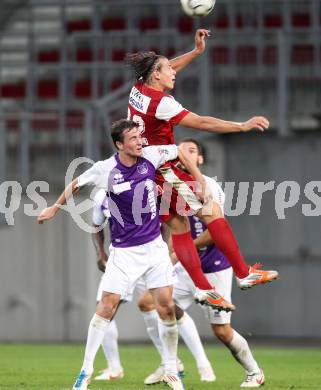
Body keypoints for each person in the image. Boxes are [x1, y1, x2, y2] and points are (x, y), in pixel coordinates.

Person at [37, 119, 208, 390]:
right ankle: (86, 370)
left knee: (165, 307)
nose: (140, 141)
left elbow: (181, 151)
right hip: (124, 253)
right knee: (106, 306)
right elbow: (76, 184)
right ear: (119, 144)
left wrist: (199, 181)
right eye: (134, 139)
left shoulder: (151, 155)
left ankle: (171, 368)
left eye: (140, 137)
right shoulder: (105, 169)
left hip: (154, 249)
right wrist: (54, 208)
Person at [126, 29, 278, 305]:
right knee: (211, 211)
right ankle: (243, 273)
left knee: (179, 226)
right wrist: (241, 126)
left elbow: (169, 67)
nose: (173, 71)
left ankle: (202, 288)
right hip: (165, 169)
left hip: (144, 172)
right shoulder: (162, 104)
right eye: (167, 69)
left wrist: (195, 53)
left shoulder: (138, 89)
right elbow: (203, 123)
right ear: (156, 76)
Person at [91, 187, 215, 385]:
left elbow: (167, 222)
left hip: (151, 257)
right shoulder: (104, 191)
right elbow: (96, 225)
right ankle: (116, 367)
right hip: (122, 257)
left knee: (168, 307)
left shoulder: (148, 184)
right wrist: (100, 254)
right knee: (104, 308)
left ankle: (200, 364)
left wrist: (164, 251)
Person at [171, 138, 265, 388]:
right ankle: (171, 364)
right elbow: (173, 229)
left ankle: (254, 371)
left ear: (200, 159)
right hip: (185, 267)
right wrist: (169, 253)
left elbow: (215, 231)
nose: (185, 154)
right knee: (160, 303)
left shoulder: (209, 185)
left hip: (213, 266)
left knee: (221, 331)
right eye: (182, 151)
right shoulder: (172, 183)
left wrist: (182, 249)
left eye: (192, 151)